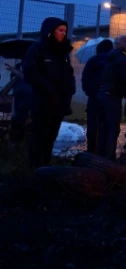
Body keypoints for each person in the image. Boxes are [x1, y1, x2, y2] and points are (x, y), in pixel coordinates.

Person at [22, 17, 76, 168]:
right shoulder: (38, 49)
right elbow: (30, 72)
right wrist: (47, 88)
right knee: (39, 134)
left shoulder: (63, 52)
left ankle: (46, 164)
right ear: (50, 31)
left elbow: (68, 73)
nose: (63, 34)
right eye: (60, 30)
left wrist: (71, 88)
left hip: (60, 103)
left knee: (51, 134)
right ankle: (34, 167)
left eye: (65, 31)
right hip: (43, 101)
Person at [97, 35, 126, 160]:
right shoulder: (123, 59)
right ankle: (110, 156)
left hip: (103, 93)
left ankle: (100, 154)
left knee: (103, 127)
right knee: (113, 128)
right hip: (113, 96)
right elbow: (124, 78)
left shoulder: (111, 57)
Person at [81, 38, 113, 154]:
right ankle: (102, 151)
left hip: (94, 97)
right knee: (104, 124)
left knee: (92, 123)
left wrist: (89, 92)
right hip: (108, 97)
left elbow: (85, 78)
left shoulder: (92, 60)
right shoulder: (113, 60)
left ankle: (91, 149)